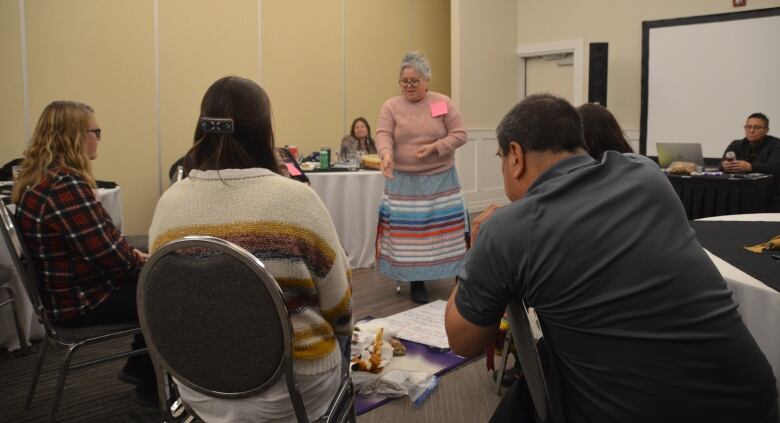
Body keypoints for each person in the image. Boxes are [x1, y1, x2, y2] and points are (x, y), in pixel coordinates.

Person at [445, 94, 778, 422]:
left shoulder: (506, 231)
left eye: (500, 157)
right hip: (753, 399)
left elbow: (463, 341)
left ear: (515, 156)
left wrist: (480, 246)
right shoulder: (647, 176)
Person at [147, 76, 353, 422]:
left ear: (203, 127)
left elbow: (162, 298)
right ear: (264, 131)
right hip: (294, 391)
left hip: (200, 384)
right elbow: (342, 306)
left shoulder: (169, 204)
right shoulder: (296, 200)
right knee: (346, 337)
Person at [11, 101, 155, 404]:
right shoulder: (66, 186)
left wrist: (134, 256)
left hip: (60, 294)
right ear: (74, 136)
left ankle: (142, 370)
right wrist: (142, 262)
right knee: (170, 287)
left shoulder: (37, 180)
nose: (99, 138)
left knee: (155, 273)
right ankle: (153, 383)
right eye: (96, 131)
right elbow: (111, 258)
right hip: (80, 302)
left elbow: (101, 246)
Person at [375, 51, 468, 304]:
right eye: (404, 81)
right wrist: (386, 155)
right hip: (403, 182)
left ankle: (458, 276)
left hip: (440, 179)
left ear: (426, 80)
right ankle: (416, 281)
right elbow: (383, 134)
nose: (409, 86)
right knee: (411, 237)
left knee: (445, 232)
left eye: (414, 81)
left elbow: (460, 134)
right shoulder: (391, 106)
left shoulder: (441, 103)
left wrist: (436, 147)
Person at [721, 113, 780, 207]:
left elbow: (775, 167)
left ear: (766, 130)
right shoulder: (737, 144)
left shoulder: (776, 144)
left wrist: (750, 167)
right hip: (738, 190)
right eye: (748, 127)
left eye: (757, 127)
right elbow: (721, 165)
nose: (751, 131)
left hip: (768, 192)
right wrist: (725, 166)